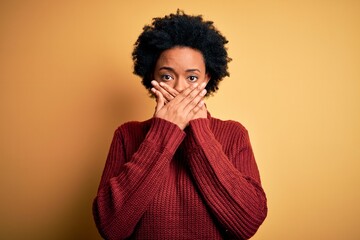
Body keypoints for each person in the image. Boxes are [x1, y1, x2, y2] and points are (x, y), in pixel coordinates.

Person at [93, 10, 267, 240]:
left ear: (207, 79)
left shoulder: (233, 134)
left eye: (192, 78)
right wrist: (163, 132)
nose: (179, 88)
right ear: (152, 78)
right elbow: (111, 228)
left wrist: (200, 131)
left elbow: (248, 223)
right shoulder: (127, 134)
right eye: (167, 76)